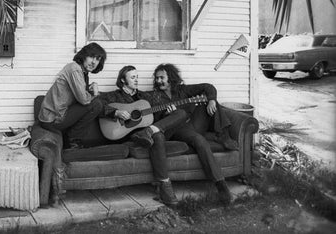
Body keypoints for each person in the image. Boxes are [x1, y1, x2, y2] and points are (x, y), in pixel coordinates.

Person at [99, 65, 188, 205]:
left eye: (137, 77)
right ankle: (165, 187)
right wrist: (115, 112)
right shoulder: (113, 96)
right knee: (158, 136)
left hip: (147, 135)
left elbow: (156, 115)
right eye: (133, 77)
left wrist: (167, 114)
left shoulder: (145, 97)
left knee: (181, 114)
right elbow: (97, 104)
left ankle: (164, 185)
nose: (136, 80)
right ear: (123, 80)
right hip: (127, 136)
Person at [149, 63, 235, 205]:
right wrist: (167, 114)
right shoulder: (155, 96)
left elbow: (208, 87)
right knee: (199, 140)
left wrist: (212, 100)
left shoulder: (183, 90)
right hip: (174, 129)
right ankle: (221, 183)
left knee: (211, 100)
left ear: (171, 77)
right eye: (156, 78)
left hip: (190, 123)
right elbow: (155, 121)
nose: (158, 81)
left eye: (161, 78)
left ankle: (222, 136)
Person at [38, 43, 107, 149]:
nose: (93, 62)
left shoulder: (82, 72)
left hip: (53, 117)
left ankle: (71, 138)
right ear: (84, 55)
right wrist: (95, 93)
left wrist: (89, 88)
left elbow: (78, 94)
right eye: (91, 57)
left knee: (96, 103)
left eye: (97, 59)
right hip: (52, 119)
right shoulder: (75, 69)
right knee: (96, 104)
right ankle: (72, 139)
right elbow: (84, 100)